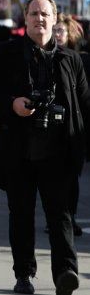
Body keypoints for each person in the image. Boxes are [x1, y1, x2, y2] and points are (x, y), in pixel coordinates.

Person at [0, 0, 89, 295]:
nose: (40, 19)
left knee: (61, 215)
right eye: (34, 13)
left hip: (59, 151)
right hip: (18, 150)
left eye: (45, 14)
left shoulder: (71, 60)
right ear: (24, 19)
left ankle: (66, 271)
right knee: (22, 215)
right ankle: (24, 275)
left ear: (55, 19)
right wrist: (11, 103)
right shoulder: (6, 54)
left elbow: (85, 105)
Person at [53, 13, 90, 236]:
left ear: (70, 34)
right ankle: (57, 217)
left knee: (72, 175)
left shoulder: (82, 59)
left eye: (61, 31)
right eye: (55, 30)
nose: (57, 35)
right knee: (54, 174)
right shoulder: (46, 55)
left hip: (75, 125)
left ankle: (70, 216)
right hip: (52, 125)